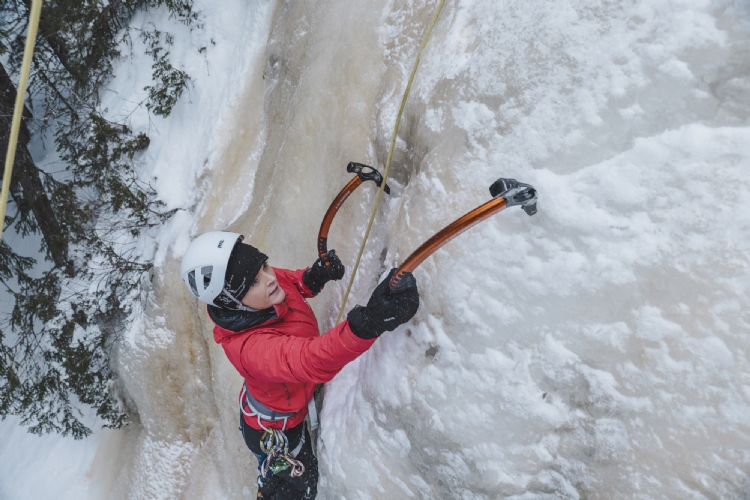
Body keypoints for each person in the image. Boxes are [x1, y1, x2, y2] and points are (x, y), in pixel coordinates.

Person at [180, 231, 419, 499]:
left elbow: (290, 282)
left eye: (265, 265)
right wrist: (370, 322)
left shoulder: (264, 286)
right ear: (231, 302)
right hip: (280, 430)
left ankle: (273, 480)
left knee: (290, 474)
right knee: (302, 482)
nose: (270, 278)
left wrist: (313, 278)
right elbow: (312, 359)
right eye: (254, 282)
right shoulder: (250, 349)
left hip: (273, 409)